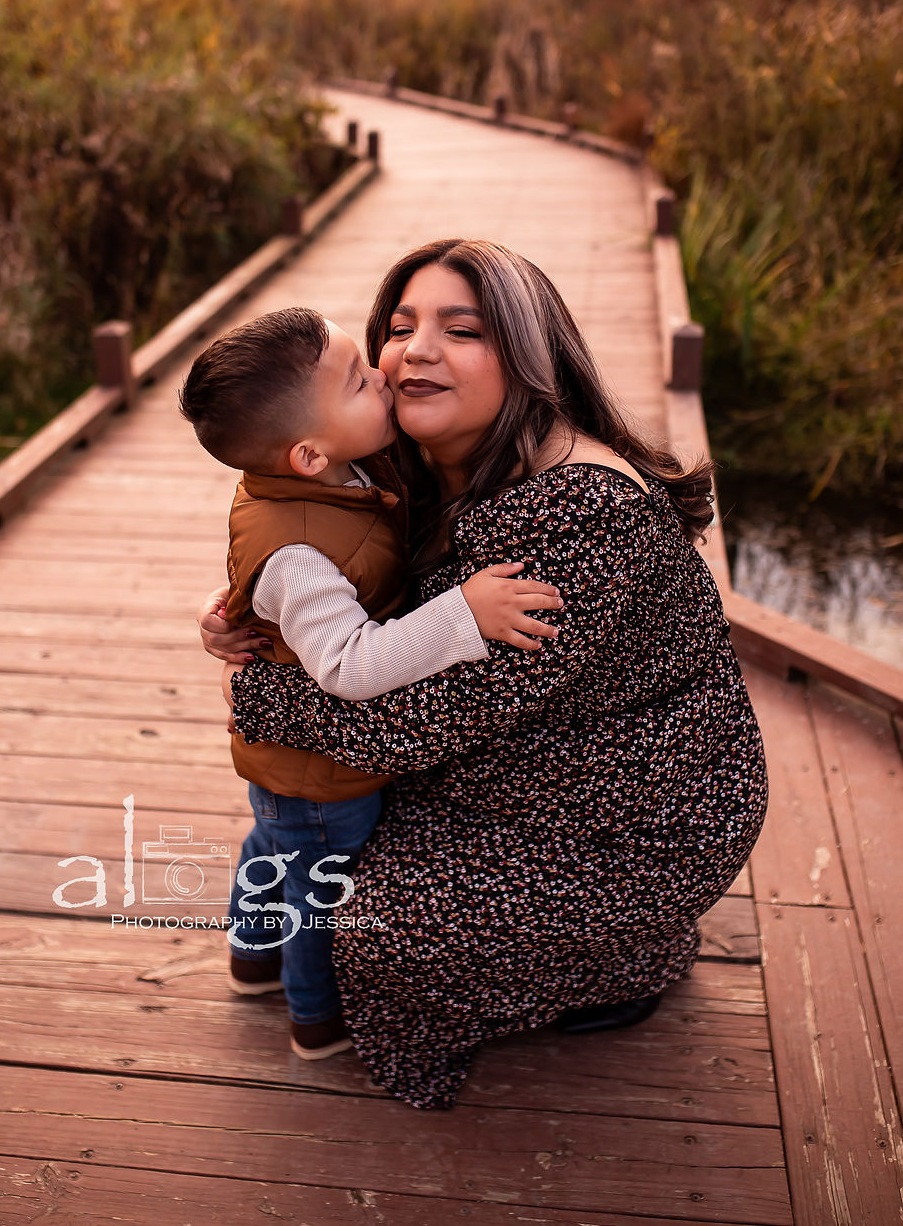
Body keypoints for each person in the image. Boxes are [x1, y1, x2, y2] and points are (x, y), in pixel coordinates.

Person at [200, 239, 768, 1110]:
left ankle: (625, 959)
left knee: (374, 928)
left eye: (459, 330)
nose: (412, 351)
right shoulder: (422, 455)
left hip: (631, 822)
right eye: (398, 328)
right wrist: (245, 610)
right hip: (528, 764)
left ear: (529, 355)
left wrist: (262, 690)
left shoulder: (583, 512)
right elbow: (323, 552)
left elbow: (410, 722)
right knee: (331, 849)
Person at [179, 306, 561, 1061]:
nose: (384, 376)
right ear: (309, 456)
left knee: (273, 844)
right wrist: (465, 612)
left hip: (290, 766)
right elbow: (350, 666)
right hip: (325, 771)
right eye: (360, 382)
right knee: (319, 890)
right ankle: (316, 1020)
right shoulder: (299, 551)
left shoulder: (322, 475)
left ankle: (250, 958)